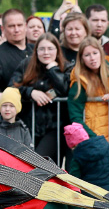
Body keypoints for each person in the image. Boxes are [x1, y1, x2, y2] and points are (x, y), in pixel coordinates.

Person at [12, 33, 69, 163]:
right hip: (28, 125)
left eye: (50, 49)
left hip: (54, 127)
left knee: (40, 162)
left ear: (57, 50)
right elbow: (12, 87)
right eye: (42, 49)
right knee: (25, 165)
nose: (46, 52)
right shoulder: (26, 65)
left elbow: (65, 90)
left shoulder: (65, 67)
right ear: (36, 51)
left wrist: (53, 69)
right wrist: (30, 92)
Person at [68, 37, 109, 151]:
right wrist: (94, 138)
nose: (92, 58)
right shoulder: (79, 82)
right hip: (95, 138)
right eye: (87, 55)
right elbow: (75, 116)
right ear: (82, 59)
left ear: (101, 53)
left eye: (95, 53)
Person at [0, 9, 34, 114]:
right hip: (13, 119)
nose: (16, 29)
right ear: (3, 29)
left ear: (26, 26)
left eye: (19, 25)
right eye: (11, 26)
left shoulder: (37, 51)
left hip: (41, 118)